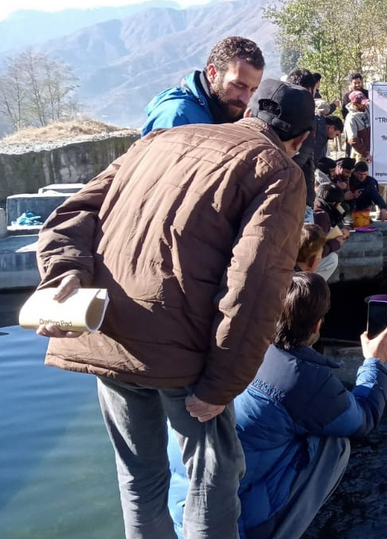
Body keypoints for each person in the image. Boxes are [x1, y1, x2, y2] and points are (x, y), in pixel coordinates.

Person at [34, 80, 314, 538]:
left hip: (107, 331)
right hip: (183, 350)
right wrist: (221, 385)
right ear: (301, 139)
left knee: (139, 480)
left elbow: (70, 213)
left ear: (247, 114)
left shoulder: (156, 140)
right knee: (213, 479)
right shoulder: (278, 171)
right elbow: (255, 286)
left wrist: (66, 268)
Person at [168, 272, 387, 539]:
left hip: (178, 503)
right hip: (234, 521)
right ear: (317, 326)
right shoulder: (300, 377)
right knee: (333, 442)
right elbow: (363, 418)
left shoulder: (222, 343)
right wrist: (374, 362)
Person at [142, 36, 265, 135]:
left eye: (253, 89)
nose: (246, 99)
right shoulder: (176, 117)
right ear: (212, 73)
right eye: (239, 85)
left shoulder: (227, 112)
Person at [287, 68, 345, 221]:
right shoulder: (315, 119)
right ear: (311, 89)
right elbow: (310, 158)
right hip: (298, 185)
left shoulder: (277, 107)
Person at [313, 184, 351, 280]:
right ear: (335, 203)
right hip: (301, 262)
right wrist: (336, 243)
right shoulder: (321, 216)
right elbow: (316, 252)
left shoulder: (313, 206)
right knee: (331, 259)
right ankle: (312, 288)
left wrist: (337, 231)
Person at [344, 90, 371, 163]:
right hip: (361, 155)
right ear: (354, 104)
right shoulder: (351, 118)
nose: (364, 105)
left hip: (370, 152)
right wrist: (365, 153)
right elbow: (353, 141)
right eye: (361, 103)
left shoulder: (367, 110)